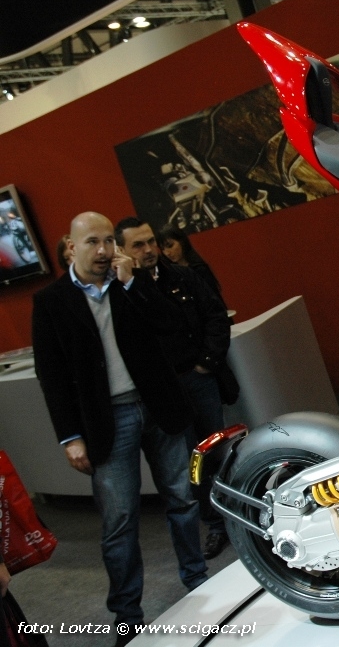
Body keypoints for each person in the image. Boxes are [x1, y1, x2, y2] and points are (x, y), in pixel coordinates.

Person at [31, 212, 207, 642]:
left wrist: (133, 285)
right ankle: (127, 614)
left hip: (158, 407)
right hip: (107, 419)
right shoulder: (51, 301)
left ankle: (198, 581)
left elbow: (173, 325)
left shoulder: (132, 284)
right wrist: (70, 436)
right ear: (71, 248)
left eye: (109, 240)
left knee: (182, 499)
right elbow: (51, 375)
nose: (103, 250)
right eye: (93, 241)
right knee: (120, 519)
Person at [116, 218, 237, 560]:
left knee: (218, 451)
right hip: (163, 392)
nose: (149, 250)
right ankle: (215, 524)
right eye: (138, 245)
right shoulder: (120, 292)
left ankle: (238, 514)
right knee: (189, 465)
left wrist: (206, 362)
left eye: (150, 241)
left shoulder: (183, 276)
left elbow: (216, 316)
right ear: (121, 251)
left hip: (197, 376)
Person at [157, 226, 223, 300]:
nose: (167, 253)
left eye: (170, 246)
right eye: (162, 249)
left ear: (182, 241)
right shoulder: (170, 274)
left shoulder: (199, 269)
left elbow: (214, 299)